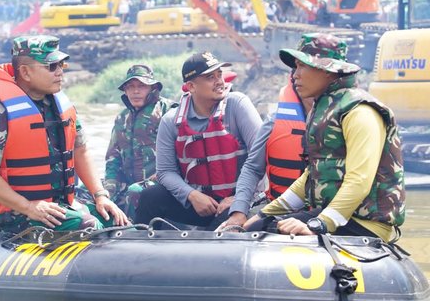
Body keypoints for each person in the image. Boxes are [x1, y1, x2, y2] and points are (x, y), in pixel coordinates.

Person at [244, 33, 405, 242]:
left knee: (275, 235)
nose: (294, 76)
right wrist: (262, 215)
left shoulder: (360, 112)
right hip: (334, 216)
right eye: (295, 67)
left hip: (364, 224)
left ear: (328, 71)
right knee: (259, 228)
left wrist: (319, 225)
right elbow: (311, 176)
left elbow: (360, 180)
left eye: (303, 67)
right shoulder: (322, 109)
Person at [0, 35, 129, 233]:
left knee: (118, 221)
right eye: (51, 66)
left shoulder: (61, 105)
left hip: (60, 206)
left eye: (62, 65)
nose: (60, 72)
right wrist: (29, 207)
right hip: (19, 213)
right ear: (25, 72)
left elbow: (80, 151)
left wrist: (100, 195)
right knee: (89, 225)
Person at [135, 51, 262, 229]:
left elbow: (261, 159)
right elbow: (165, 172)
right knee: (150, 196)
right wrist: (192, 195)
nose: (219, 81)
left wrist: (239, 200)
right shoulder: (171, 120)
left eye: (220, 75)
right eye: (210, 77)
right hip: (198, 201)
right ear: (191, 87)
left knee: (220, 229)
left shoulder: (237, 105)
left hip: (238, 200)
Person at [220, 78, 314, 229]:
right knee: (226, 226)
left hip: (322, 212)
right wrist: (239, 210)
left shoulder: (341, 120)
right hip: (277, 206)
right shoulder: (274, 120)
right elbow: (252, 168)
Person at [103, 64, 177, 220]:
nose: (135, 91)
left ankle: (131, 233)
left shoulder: (169, 112)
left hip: (162, 184)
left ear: (153, 88)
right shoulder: (122, 119)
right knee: (89, 191)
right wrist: (108, 188)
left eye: (141, 86)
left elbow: (182, 154)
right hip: (128, 183)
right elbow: (113, 158)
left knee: (135, 191)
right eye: (130, 87)